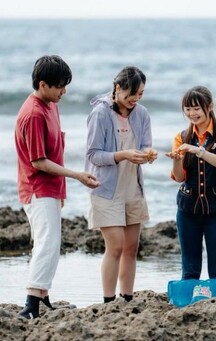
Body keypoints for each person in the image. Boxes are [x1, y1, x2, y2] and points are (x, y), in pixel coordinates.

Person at [15, 55, 100, 319]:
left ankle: (42, 297)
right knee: (46, 243)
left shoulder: (51, 105)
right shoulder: (34, 114)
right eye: (60, 86)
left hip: (52, 188)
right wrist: (77, 175)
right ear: (43, 84)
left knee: (51, 242)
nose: (64, 91)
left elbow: (56, 149)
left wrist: (62, 188)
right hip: (37, 187)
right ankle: (30, 305)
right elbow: (39, 161)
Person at [85, 66, 157, 304]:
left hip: (132, 188)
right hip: (106, 189)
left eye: (141, 94)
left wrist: (148, 154)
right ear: (117, 88)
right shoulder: (100, 114)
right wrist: (123, 155)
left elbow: (146, 144)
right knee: (115, 246)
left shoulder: (142, 113)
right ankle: (108, 302)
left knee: (131, 247)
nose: (135, 100)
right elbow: (94, 155)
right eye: (131, 94)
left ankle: (126, 299)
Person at [166, 86, 216, 296]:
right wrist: (177, 161)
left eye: (196, 108)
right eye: (187, 109)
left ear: (210, 107)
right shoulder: (181, 137)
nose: (192, 114)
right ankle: (187, 311)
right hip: (188, 210)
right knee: (190, 270)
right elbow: (179, 178)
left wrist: (199, 150)